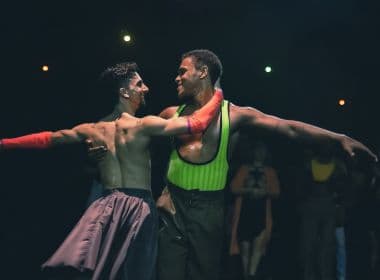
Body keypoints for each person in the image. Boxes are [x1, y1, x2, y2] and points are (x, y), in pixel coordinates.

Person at [156, 49, 377, 280]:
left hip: (208, 209)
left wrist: (339, 138)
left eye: (183, 71)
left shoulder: (234, 114)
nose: (177, 77)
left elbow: (288, 127)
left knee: (202, 274)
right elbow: (131, 136)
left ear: (203, 72)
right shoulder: (170, 115)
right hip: (172, 209)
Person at [0, 62, 223, 280]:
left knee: (101, 269)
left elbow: (50, 138)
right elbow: (197, 124)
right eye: (139, 84)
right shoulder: (143, 125)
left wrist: (5, 143)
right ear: (124, 92)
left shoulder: (93, 129)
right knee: (134, 271)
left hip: (104, 205)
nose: (146, 89)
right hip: (138, 206)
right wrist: (218, 94)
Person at [229, 141, 280, 280]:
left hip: (261, 212)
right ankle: (247, 274)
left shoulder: (270, 171)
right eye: (258, 150)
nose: (260, 154)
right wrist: (248, 190)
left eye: (262, 151)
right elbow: (233, 187)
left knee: (258, 245)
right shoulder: (244, 169)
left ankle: (252, 274)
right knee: (245, 248)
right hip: (245, 211)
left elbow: (276, 191)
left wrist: (264, 191)